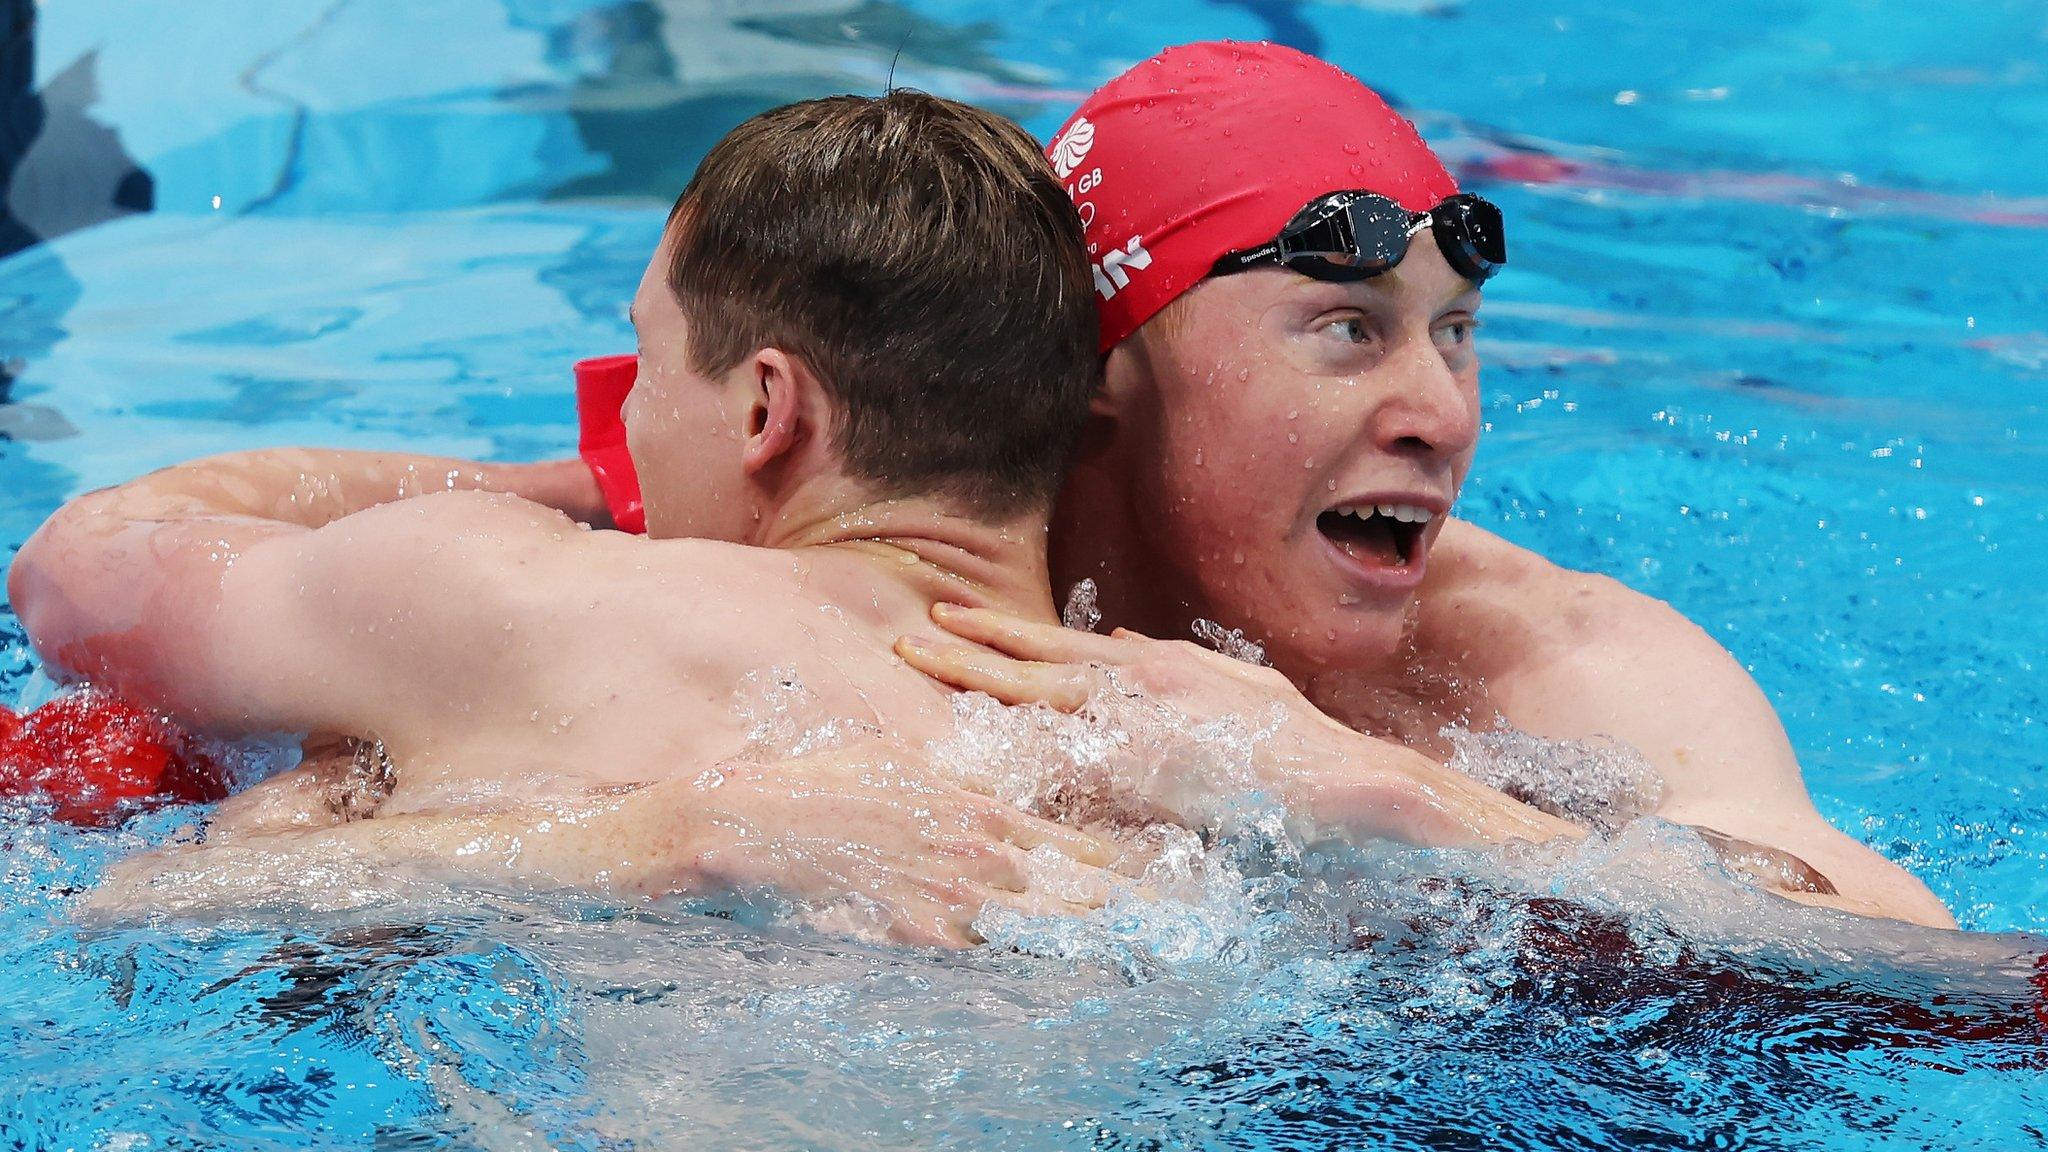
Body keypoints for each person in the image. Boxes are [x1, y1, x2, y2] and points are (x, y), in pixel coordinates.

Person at [13, 87, 1577, 945]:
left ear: (769, 411)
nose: (620, 413)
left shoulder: (530, 607)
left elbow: (82, 579)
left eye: (643, 368)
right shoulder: (1230, 734)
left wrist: (620, 840)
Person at [891, 41, 1953, 928]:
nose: (1441, 417)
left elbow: (1932, 976)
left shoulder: (1549, 667)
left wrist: (1384, 794)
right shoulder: (892, 628)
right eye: (1347, 328)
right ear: (1093, 368)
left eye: (1454, 331)